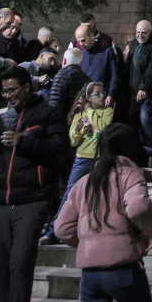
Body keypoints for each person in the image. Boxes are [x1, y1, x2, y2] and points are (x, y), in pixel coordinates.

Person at [54, 123, 152, 302]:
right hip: (123, 268)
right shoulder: (130, 175)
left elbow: (61, 229)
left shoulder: (84, 182)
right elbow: (137, 207)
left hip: (89, 273)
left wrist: (89, 242)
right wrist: (151, 233)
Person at [0, 66, 68, 302]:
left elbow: (59, 149)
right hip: (2, 201)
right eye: (4, 92)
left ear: (26, 87)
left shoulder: (48, 113)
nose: (8, 95)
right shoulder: (5, 118)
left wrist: (24, 142)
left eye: (12, 90)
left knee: (20, 263)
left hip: (32, 199)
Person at [41, 81, 113, 245]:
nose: (102, 96)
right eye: (98, 93)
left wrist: (89, 111)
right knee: (69, 194)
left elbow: (103, 127)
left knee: (99, 196)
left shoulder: (107, 112)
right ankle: (53, 231)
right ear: (88, 97)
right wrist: (78, 130)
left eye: (103, 92)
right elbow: (73, 141)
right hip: (82, 158)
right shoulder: (79, 115)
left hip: (101, 159)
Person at [124, 19, 152, 164]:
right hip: (131, 92)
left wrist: (143, 87)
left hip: (146, 93)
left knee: (146, 121)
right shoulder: (134, 44)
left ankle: (151, 155)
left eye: (143, 33)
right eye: (138, 32)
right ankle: (136, 155)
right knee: (133, 123)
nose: (140, 35)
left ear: (150, 32)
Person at [75, 24, 121, 108]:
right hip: (86, 101)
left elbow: (115, 76)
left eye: (83, 40)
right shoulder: (82, 55)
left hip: (103, 99)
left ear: (92, 36)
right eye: (79, 41)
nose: (81, 44)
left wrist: (111, 94)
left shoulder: (107, 52)